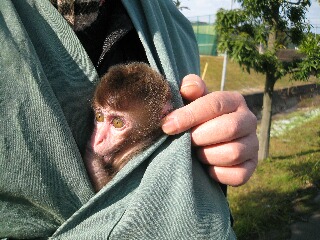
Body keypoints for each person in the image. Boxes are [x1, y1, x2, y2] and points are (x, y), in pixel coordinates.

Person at [0, 0, 257, 238]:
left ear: (164, 114)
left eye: (118, 123)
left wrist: (216, 143)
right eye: (99, 116)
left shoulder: (173, 29)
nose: (97, 138)